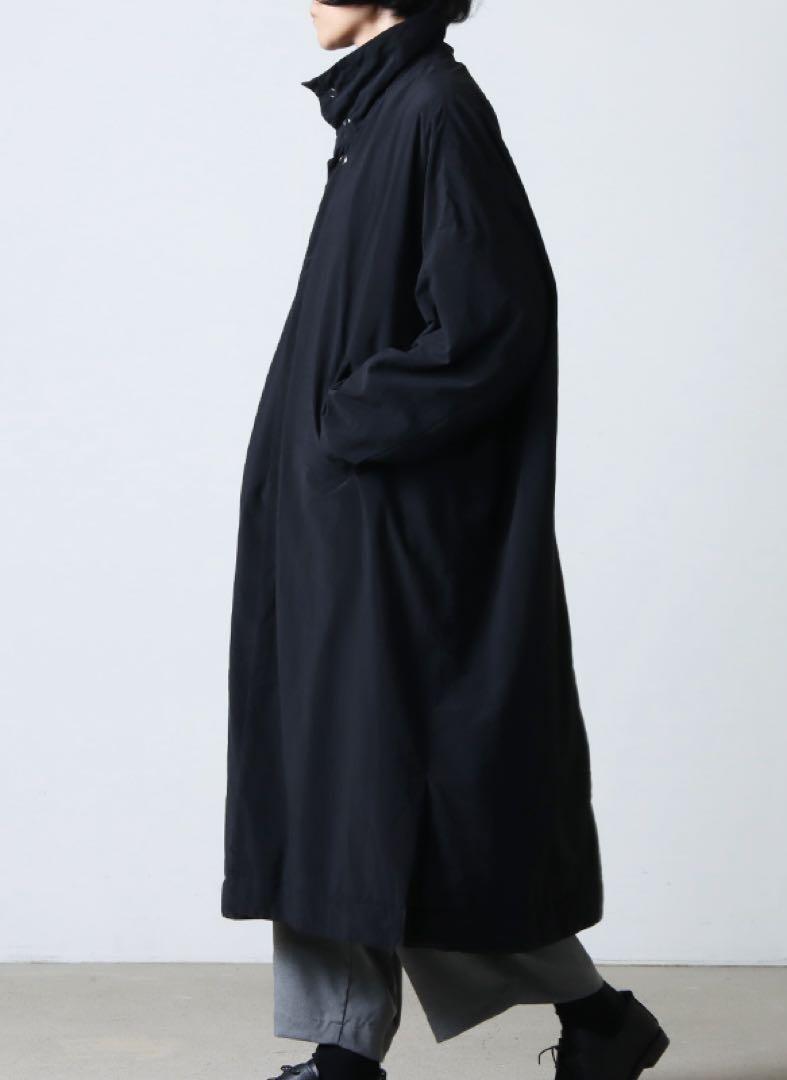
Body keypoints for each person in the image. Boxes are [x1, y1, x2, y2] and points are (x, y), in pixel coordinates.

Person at [221, 2, 669, 1077]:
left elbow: (495, 314)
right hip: (341, 524)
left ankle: (388, 1050)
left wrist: (346, 424)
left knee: (399, 793)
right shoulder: (380, 114)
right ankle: (586, 1026)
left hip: (388, 531)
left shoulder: (435, 109)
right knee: (343, 789)